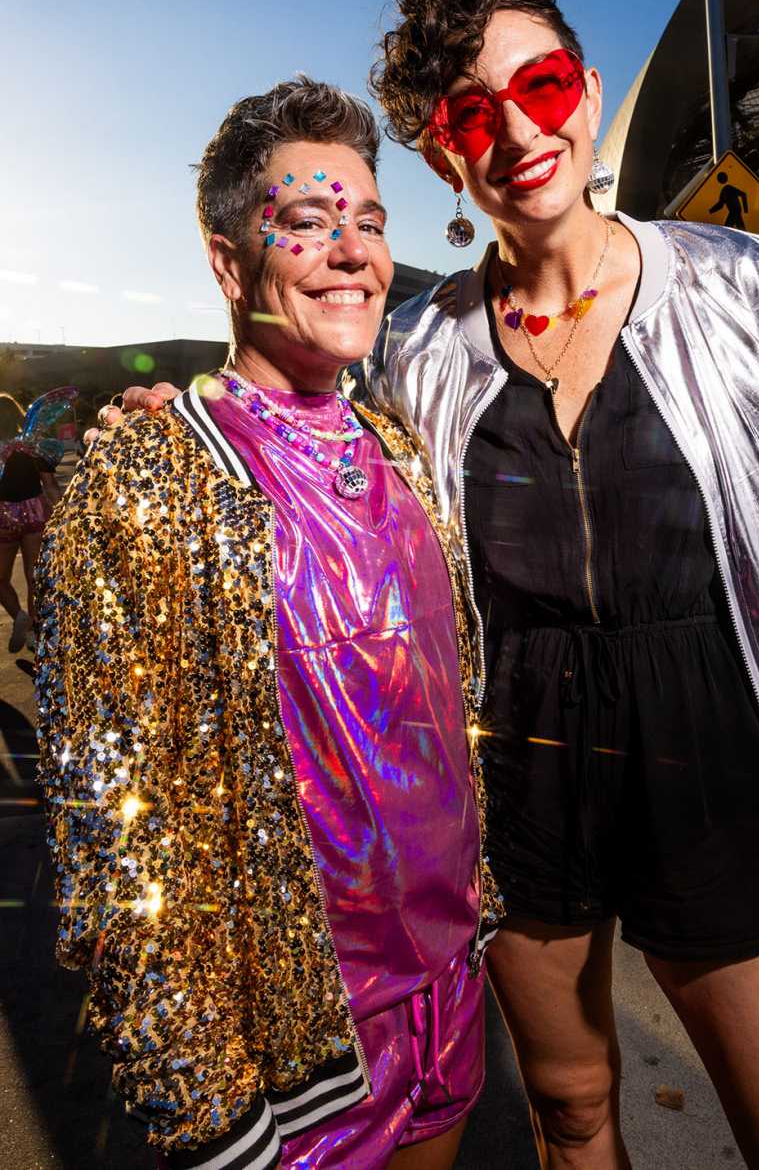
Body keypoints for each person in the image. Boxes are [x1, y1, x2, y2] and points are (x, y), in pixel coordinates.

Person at [111, 0, 759, 1170]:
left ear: (585, 92)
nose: (516, 131)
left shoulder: (742, 283)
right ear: (444, 157)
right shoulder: (418, 348)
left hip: (708, 737)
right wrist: (179, 427)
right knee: (570, 1106)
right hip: (515, 762)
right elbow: (309, 447)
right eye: (468, 116)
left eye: (539, 86)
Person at [36, 78, 502, 1170]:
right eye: (306, 221)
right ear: (226, 260)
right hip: (298, 1061)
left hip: (449, 990)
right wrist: (210, 1103)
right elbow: (113, 830)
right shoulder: (146, 478)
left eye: (369, 222)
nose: (353, 252)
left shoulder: (400, 451)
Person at [0, 392, 63, 652]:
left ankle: (19, 616)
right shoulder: (35, 447)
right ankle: (34, 633)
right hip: (35, 513)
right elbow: (50, 486)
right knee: (34, 576)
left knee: (0, 578)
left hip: (2, 516)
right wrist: (64, 514)